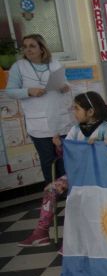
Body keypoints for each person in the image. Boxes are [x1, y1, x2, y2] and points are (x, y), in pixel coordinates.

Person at [18, 92, 107, 248]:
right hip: (76, 175)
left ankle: (76, 242)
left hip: (101, 177)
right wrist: (60, 146)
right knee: (51, 189)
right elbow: (68, 155)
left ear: (90, 111)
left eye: (76, 109)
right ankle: (41, 233)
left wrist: (100, 146)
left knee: (80, 199)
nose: (73, 112)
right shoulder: (75, 130)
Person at [5, 34, 73, 182]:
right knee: (48, 162)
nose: (27, 50)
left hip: (60, 119)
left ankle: (69, 196)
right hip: (39, 124)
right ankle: (53, 198)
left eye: (32, 46)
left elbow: (66, 84)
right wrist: (28, 91)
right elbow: (10, 91)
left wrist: (65, 87)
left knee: (65, 160)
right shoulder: (19, 67)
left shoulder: (55, 63)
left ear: (42, 48)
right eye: (25, 46)